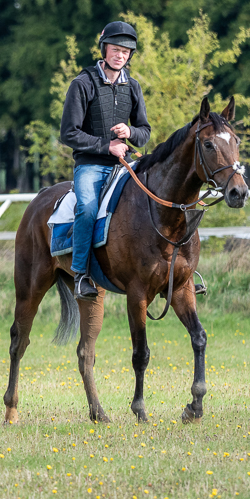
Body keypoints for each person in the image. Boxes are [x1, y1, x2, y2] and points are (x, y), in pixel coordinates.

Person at [60, 21, 151, 300]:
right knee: (87, 208)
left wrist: (130, 132)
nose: (120, 56)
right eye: (115, 50)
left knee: (156, 196)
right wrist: (106, 146)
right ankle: (80, 275)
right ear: (104, 49)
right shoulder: (82, 83)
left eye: (125, 52)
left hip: (124, 167)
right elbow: (68, 133)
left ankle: (170, 270)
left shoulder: (133, 87)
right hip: (90, 166)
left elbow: (145, 132)